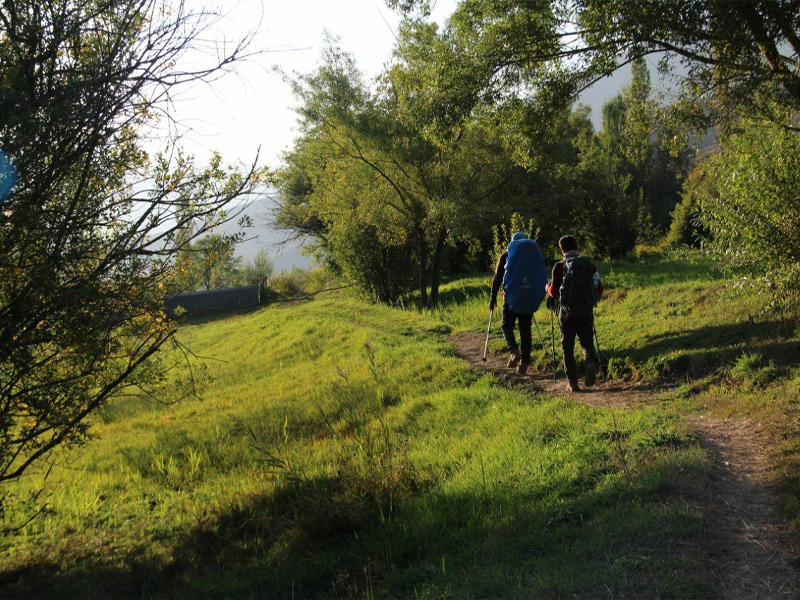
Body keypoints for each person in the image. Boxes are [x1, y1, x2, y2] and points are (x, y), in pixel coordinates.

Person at [545, 235, 603, 392]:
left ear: (562, 249)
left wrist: (547, 288)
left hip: (567, 313)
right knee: (587, 341)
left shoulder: (559, 267)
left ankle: (573, 382)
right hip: (586, 310)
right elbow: (599, 288)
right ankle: (590, 362)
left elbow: (554, 292)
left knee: (567, 347)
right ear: (576, 247)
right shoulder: (589, 265)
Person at [489, 232, 547, 375]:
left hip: (511, 298)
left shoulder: (506, 256)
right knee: (525, 330)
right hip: (528, 297)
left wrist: (493, 297)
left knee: (506, 326)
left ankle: (514, 351)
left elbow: (497, 278)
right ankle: (524, 364)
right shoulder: (534, 257)